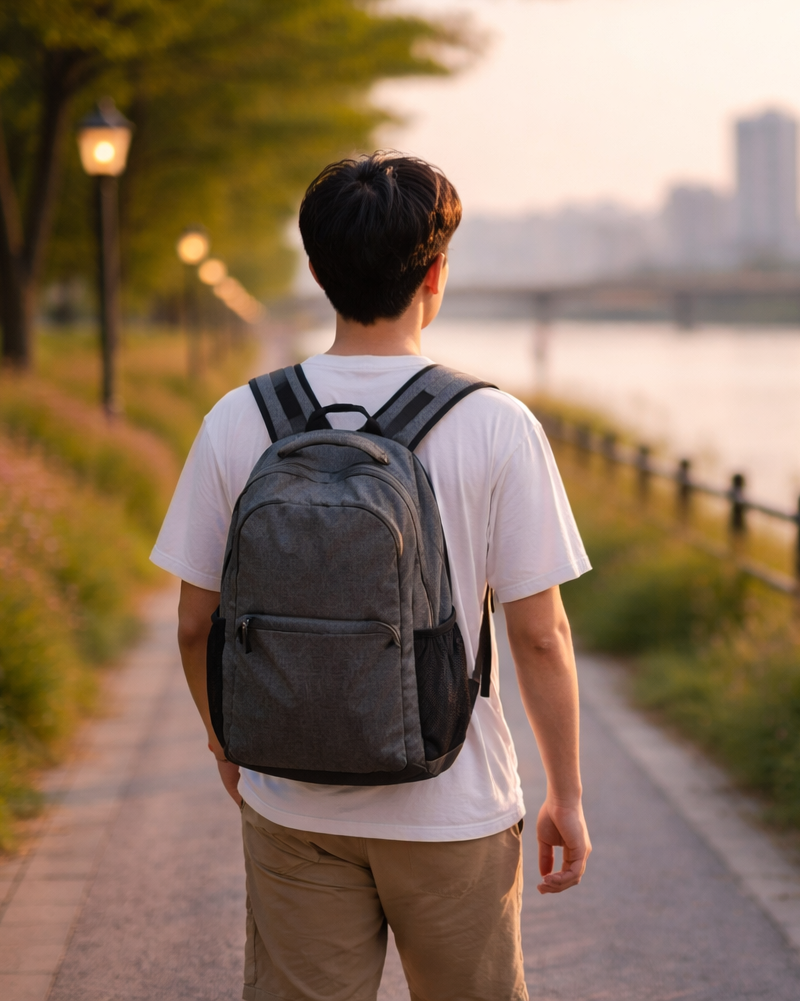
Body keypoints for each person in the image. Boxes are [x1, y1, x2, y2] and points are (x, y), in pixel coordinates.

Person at [150, 152, 592, 1001]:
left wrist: (226, 742)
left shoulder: (241, 417)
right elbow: (541, 635)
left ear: (316, 272)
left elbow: (192, 625)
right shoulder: (496, 424)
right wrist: (565, 794)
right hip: (455, 805)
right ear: (437, 273)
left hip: (295, 807)